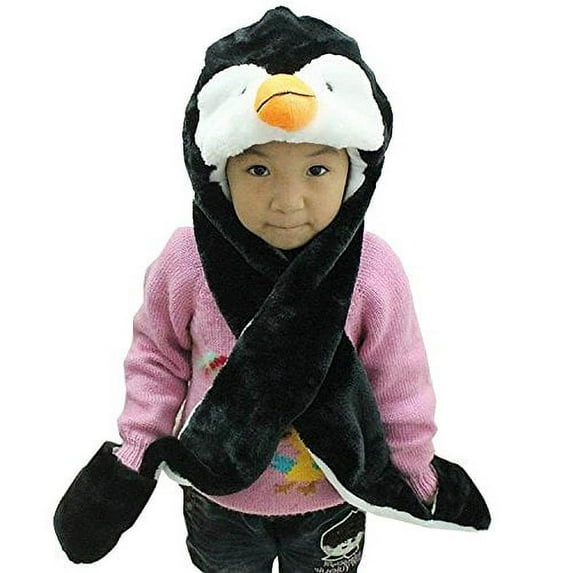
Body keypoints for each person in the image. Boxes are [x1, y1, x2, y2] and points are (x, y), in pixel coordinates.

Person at [53, 6, 490, 572]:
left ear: (355, 173)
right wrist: (138, 446)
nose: (288, 202)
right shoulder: (186, 261)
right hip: (217, 495)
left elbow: (399, 375)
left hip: (333, 497)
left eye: (317, 171)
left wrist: (412, 465)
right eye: (258, 170)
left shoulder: (373, 269)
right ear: (216, 172)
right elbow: (157, 358)